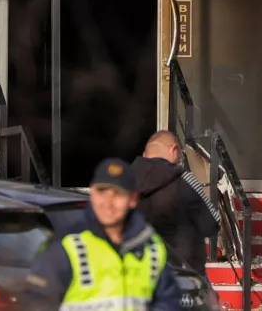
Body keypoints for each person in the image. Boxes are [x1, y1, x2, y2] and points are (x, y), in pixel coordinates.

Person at [21, 158, 181, 311]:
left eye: (117, 194)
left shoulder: (151, 247)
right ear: (92, 194)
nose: (108, 203)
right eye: (102, 192)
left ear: (133, 199)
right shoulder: (67, 246)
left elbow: (168, 301)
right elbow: (37, 303)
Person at [130, 131, 221, 275]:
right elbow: (211, 224)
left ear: (144, 155)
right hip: (183, 275)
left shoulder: (124, 181)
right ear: (173, 150)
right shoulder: (184, 180)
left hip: (139, 274)